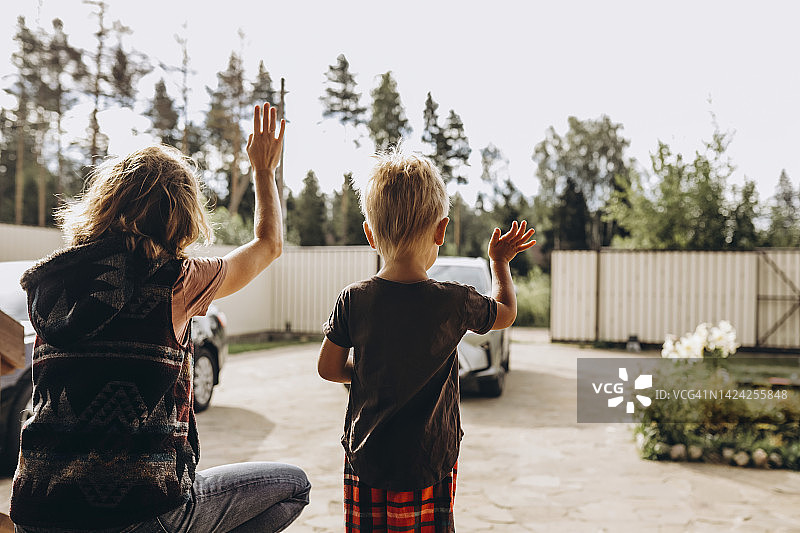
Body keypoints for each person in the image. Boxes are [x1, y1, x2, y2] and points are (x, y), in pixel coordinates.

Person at [10, 103, 310, 532]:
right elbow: (268, 245)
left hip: (36, 515)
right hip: (136, 516)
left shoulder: (52, 280)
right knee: (293, 486)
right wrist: (264, 171)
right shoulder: (175, 279)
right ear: (182, 212)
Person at [317, 147, 536, 532]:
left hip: (367, 458)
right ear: (441, 230)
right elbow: (505, 312)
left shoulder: (354, 299)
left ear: (370, 235)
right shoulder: (454, 301)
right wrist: (499, 263)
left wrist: (369, 373)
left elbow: (329, 368)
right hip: (430, 462)